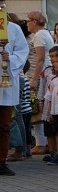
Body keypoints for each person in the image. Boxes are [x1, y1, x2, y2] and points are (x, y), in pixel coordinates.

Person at [0, 11, 27, 176]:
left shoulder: (14, 29)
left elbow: (22, 52)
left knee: (4, 126)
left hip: (7, 82)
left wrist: (10, 58)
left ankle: (1, 161)